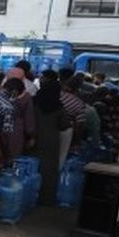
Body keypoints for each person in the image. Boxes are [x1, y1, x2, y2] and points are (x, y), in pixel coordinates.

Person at [33, 74, 68, 205]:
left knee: (33, 166)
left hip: (34, 137)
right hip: (51, 140)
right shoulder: (59, 107)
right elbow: (64, 125)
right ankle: (46, 197)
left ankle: (31, 193)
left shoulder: (34, 102)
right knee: (49, 170)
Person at [60, 74, 86, 166]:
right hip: (65, 131)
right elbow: (80, 124)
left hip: (47, 128)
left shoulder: (56, 94)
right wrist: (77, 142)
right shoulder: (79, 103)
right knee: (61, 158)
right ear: (78, 88)